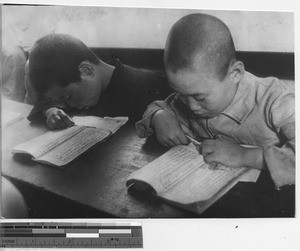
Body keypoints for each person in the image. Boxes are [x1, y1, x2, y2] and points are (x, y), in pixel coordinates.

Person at [136, 13, 295, 189]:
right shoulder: (190, 94)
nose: (191, 106)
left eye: (199, 97)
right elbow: (158, 107)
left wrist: (242, 155)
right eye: (180, 94)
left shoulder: (276, 100)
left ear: (235, 74)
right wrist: (160, 116)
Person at [26, 34, 171, 129]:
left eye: (68, 96)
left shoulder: (146, 86)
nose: (69, 104)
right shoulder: (78, 89)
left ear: (87, 70)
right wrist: (50, 110)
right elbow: (44, 101)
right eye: (62, 99)